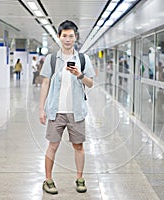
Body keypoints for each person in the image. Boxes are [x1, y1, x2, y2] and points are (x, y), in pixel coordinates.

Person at [39, 20, 95, 195]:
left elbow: (91, 83)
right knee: (52, 146)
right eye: (65, 36)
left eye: (71, 36)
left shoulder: (83, 59)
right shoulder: (52, 59)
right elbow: (45, 83)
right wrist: (42, 109)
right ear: (59, 37)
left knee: (78, 146)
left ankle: (80, 178)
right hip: (56, 111)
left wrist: (80, 75)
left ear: (76, 37)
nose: (68, 39)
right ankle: (48, 180)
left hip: (76, 111)